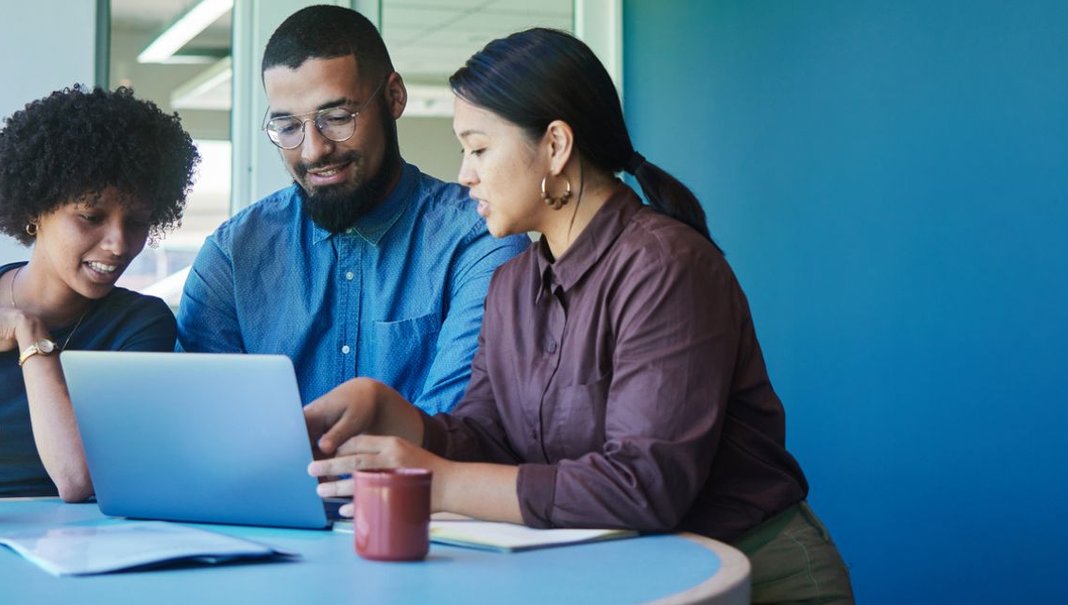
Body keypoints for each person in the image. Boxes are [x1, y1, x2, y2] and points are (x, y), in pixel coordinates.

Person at [303, 28, 855, 603]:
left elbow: (644, 487)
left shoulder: (666, 267)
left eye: (479, 147)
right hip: (634, 576)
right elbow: (490, 437)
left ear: (556, 146)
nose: (465, 173)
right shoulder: (512, 284)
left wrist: (437, 482)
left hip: (751, 577)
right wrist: (400, 418)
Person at [176, 5, 528, 412]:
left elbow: (457, 425)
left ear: (394, 96)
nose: (314, 150)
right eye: (288, 127)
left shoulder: (479, 237)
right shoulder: (232, 257)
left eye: (337, 117)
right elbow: (205, 427)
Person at [0, 85, 199, 501]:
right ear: (37, 209)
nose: (118, 243)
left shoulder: (139, 326)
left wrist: (29, 336)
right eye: (92, 217)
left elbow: (79, 478)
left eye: (137, 222)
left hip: (71, 538)